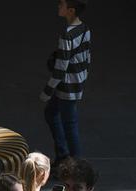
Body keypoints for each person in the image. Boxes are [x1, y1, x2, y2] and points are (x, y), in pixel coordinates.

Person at [40, 0, 91, 163]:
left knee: (70, 125)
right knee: (51, 113)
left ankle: (77, 167)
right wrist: (82, 79)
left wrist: (47, 91)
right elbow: (87, 57)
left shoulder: (67, 35)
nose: (58, 6)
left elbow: (60, 69)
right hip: (76, 83)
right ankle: (63, 156)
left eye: (61, 4)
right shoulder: (84, 29)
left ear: (70, 11)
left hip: (67, 87)